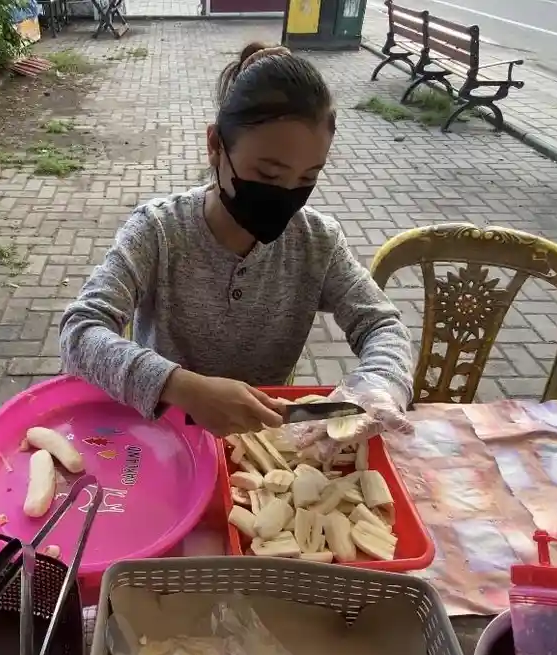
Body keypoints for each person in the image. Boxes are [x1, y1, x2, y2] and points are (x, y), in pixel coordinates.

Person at [59, 42, 415, 441]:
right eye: (267, 174)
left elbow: (381, 323)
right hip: (163, 440)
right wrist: (184, 388)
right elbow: (79, 332)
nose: (286, 195)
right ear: (215, 147)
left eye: (306, 178)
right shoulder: (159, 231)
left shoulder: (316, 243)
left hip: (262, 443)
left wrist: (380, 383)